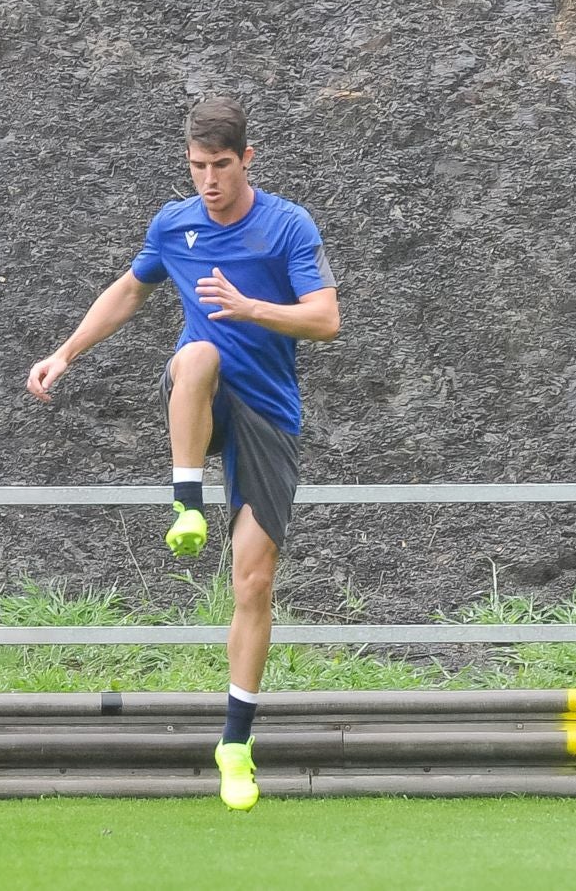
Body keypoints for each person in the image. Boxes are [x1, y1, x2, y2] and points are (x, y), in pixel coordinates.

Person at [26, 97, 340, 811]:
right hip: (197, 395)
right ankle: (185, 502)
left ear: (246, 159)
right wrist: (63, 353)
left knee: (253, 581)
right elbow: (128, 291)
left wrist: (250, 306)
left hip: (267, 410)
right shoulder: (174, 223)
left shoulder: (286, 225)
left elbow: (325, 319)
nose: (207, 181)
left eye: (220, 167)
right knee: (195, 352)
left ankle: (234, 743)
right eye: (196, 166)